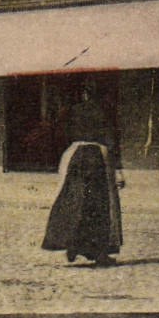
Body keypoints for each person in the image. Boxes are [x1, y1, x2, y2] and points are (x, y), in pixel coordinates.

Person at [42, 83, 123, 266]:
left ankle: (73, 245)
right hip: (97, 158)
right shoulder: (105, 111)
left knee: (73, 201)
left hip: (74, 156)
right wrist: (118, 168)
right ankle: (100, 252)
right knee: (100, 205)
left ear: (85, 95)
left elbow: (61, 133)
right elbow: (111, 138)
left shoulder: (73, 111)